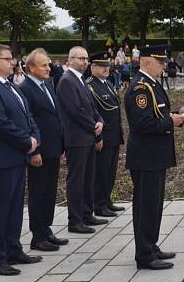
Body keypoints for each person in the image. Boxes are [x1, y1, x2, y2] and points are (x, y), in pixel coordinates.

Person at [0, 43, 42, 276]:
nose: (12, 62)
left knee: (14, 208)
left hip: (17, 156)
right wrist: (27, 141)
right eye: (7, 59)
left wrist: (34, 137)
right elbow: (1, 124)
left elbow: (27, 114)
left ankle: (14, 249)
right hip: (0, 159)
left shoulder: (9, 86)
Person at [124, 44, 184, 270]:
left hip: (155, 156)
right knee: (145, 205)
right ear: (147, 62)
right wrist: (171, 121)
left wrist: (176, 114)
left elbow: (158, 113)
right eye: (160, 62)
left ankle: (150, 245)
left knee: (154, 204)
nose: (163, 65)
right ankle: (144, 255)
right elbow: (143, 123)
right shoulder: (140, 88)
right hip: (146, 156)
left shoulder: (152, 84)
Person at [19, 48, 67, 252]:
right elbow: (26, 122)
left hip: (53, 147)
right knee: (38, 192)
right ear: (31, 68)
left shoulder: (46, 85)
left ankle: (46, 229)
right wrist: (33, 152)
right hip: (40, 149)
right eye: (44, 65)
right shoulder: (26, 88)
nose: (49, 68)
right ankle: (37, 236)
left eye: (48, 64)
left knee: (49, 192)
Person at [57, 46, 106, 234]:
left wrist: (99, 120)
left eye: (86, 59)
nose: (84, 62)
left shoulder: (80, 80)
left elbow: (91, 107)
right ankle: (75, 220)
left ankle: (87, 213)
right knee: (76, 180)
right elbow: (76, 110)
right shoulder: (67, 81)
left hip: (87, 136)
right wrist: (94, 126)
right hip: (76, 138)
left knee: (87, 178)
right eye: (80, 58)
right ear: (70, 60)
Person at [87, 52, 126, 219]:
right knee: (101, 172)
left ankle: (107, 200)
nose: (106, 69)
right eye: (101, 66)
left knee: (110, 171)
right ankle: (99, 204)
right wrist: (98, 137)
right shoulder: (90, 85)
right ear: (93, 67)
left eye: (107, 66)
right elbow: (92, 113)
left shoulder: (108, 84)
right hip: (103, 136)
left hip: (114, 135)